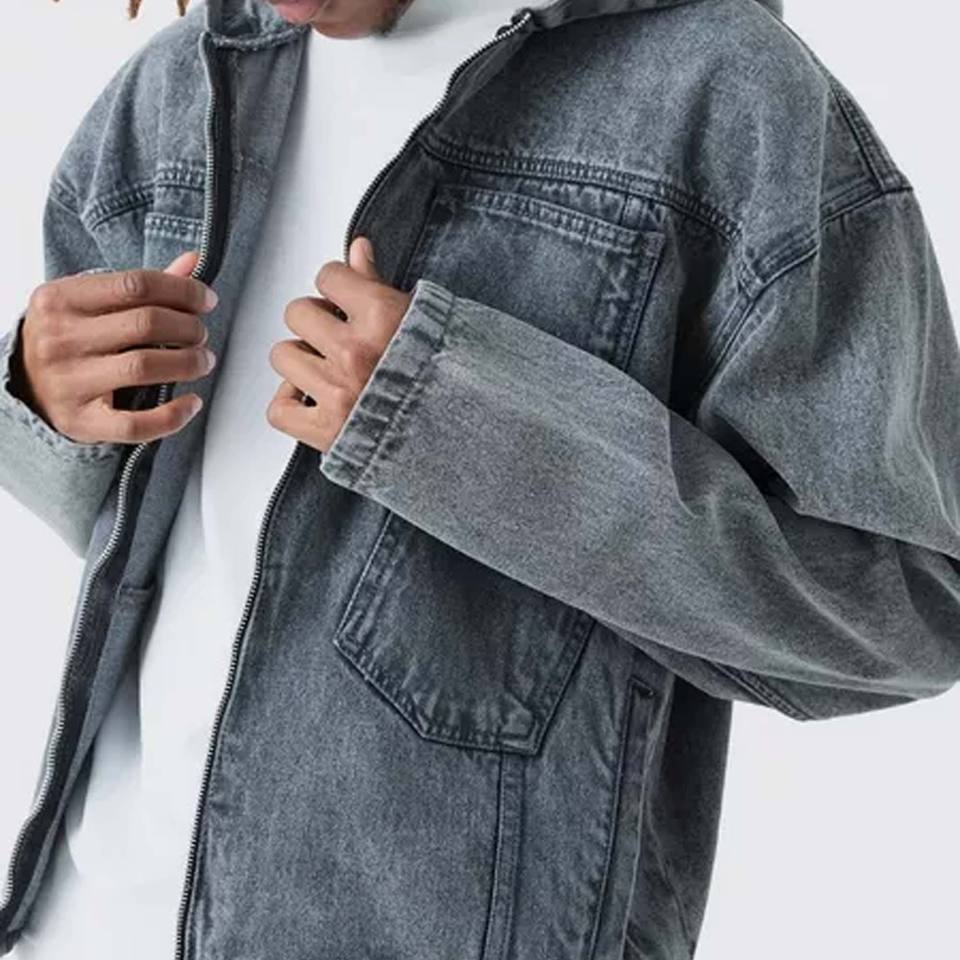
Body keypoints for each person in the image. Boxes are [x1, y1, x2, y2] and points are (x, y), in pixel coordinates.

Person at [1, 0, 958, 957]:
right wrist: (42, 401)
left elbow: (903, 615)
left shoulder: (726, 94)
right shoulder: (184, 77)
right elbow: (147, 546)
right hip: (74, 926)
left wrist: (457, 421)